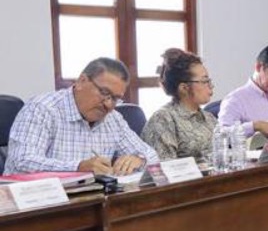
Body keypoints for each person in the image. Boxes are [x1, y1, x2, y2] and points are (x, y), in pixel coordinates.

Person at [6, 57, 158, 175]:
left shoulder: (113, 119)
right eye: (104, 93)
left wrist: (139, 160)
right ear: (81, 81)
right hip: (37, 202)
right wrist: (78, 167)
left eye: (115, 98)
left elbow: (152, 156)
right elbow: (22, 162)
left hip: (90, 200)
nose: (108, 104)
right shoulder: (42, 109)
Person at [141, 48, 219, 162]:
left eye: (209, 81)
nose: (211, 86)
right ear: (184, 88)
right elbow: (165, 167)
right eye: (204, 81)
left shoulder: (209, 118)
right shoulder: (163, 119)